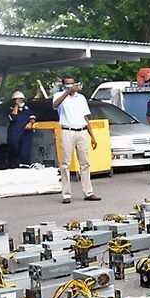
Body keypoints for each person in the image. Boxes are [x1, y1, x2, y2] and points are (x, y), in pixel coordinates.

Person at [52, 76, 100, 204]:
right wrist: (67, 92)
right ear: (63, 85)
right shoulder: (59, 95)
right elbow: (55, 105)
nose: (71, 86)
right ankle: (66, 195)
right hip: (68, 131)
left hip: (82, 131)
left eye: (73, 84)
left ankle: (88, 192)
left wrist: (92, 136)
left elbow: (85, 117)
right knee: (65, 164)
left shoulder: (81, 98)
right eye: (68, 84)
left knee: (85, 163)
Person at [6, 91, 36, 167]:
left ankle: (24, 165)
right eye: (19, 99)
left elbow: (32, 116)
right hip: (14, 132)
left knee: (25, 150)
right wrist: (16, 105)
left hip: (25, 133)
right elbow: (13, 116)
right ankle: (13, 165)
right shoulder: (10, 108)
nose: (21, 101)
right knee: (13, 149)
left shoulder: (27, 108)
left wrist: (31, 123)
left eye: (21, 99)